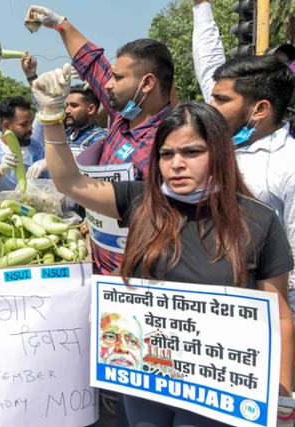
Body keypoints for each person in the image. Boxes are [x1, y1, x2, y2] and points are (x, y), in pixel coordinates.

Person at [33, 63, 294, 425]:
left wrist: (282, 396)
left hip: (217, 396)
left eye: (192, 152)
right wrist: (50, 117)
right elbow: (71, 183)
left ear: (218, 153)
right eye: (167, 154)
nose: (177, 165)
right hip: (146, 385)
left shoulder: (259, 220)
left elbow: (279, 314)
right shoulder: (142, 201)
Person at [25, 5, 174, 275]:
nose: (106, 85)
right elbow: (94, 65)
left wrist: (120, 282)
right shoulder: (123, 114)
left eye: (117, 78)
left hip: (139, 276)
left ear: (148, 84)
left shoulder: (172, 142)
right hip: (97, 259)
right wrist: (61, 24)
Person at [192, 0, 295, 334]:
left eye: (220, 101)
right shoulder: (221, 142)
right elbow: (208, 63)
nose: (210, 106)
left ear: (259, 110)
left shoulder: (287, 165)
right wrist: (201, 6)